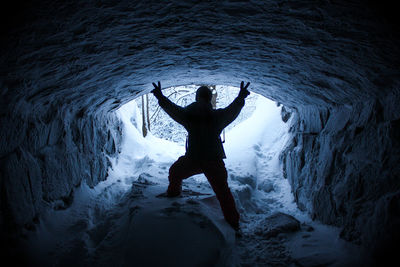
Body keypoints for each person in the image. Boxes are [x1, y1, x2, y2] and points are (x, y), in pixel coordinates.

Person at [151, 81, 250, 231]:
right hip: (213, 160)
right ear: (210, 99)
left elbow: (173, 110)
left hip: (193, 159)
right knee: (224, 193)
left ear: (197, 98)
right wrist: (240, 97)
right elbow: (232, 111)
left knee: (175, 172)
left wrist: (160, 96)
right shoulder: (216, 116)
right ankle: (234, 224)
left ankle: (173, 196)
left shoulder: (188, 115)